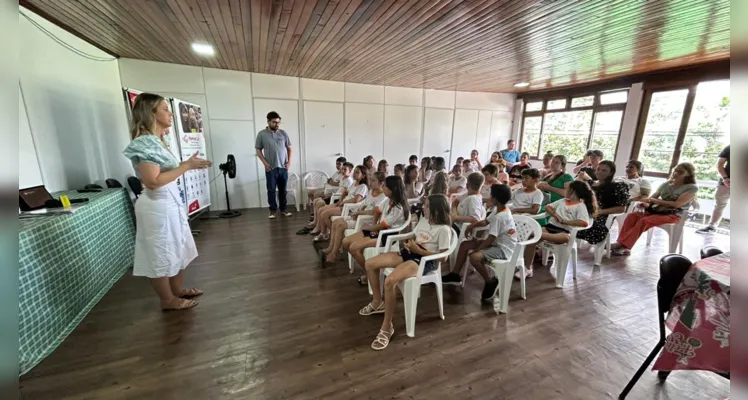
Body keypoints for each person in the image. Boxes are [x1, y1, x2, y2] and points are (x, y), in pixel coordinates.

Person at [122, 93, 212, 311]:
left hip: (170, 203)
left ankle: (177, 289)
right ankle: (167, 300)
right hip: (157, 205)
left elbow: (164, 170)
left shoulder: (159, 140)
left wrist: (187, 164)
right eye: (165, 109)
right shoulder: (144, 143)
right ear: (150, 113)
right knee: (161, 252)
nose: (171, 113)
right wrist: (185, 167)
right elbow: (152, 181)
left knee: (177, 247)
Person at [359, 194, 452, 350]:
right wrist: (410, 243)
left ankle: (387, 327)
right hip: (412, 253)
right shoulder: (424, 220)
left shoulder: (444, 230)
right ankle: (377, 302)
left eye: (427, 206)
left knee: (389, 281)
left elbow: (443, 258)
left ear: (436, 210)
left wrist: (419, 251)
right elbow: (415, 235)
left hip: (425, 262)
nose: (424, 208)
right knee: (370, 264)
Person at [443, 184, 516, 301]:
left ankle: (490, 281)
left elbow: (490, 238)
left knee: (474, 257)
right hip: (496, 243)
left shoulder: (500, 216)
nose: (489, 198)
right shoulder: (499, 210)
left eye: (491, 196)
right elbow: (485, 222)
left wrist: (478, 249)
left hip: (503, 248)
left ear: (495, 199)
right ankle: (455, 275)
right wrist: (471, 226)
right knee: (464, 245)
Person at [611, 163, 698, 255]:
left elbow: (677, 204)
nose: (676, 173)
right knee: (632, 216)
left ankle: (624, 246)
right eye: (675, 170)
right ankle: (621, 244)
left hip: (674, 215)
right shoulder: (667, 184)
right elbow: (651, 199)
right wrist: (645, 203)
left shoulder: (692, 188)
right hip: (657, 211)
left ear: (689, 174)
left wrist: (655, 201)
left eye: (680, 172)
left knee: (644, 221)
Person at [343, 176, 410, 285]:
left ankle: (370, 274)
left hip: (387, 235)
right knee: (346, 242)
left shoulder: (398, 208)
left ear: (393, 190)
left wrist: (368, 228)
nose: (383, 188)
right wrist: (373, 226)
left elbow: (383, 226)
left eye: (386, 187)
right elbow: (377, 211)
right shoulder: (388, 200)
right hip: (378, 230)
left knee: (354, 247)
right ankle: (370, 273)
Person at [521, 181, 596, 278]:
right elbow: (548, 207)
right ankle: (527, 268)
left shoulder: (581, 206)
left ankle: (539, 236)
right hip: (551, 227)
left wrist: (566, 222)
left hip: (565, 232)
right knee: (531, 239)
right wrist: (555, 215)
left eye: (568, 189)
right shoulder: (563, 201)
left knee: (541, 236)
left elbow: (584, 222)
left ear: (573, 191)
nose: (566, 191)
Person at [320, 172, 388, 265]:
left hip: (366, 220)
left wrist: (359, 213)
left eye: (373, 180)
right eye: (370, 180)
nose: (370, 182)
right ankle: (331, 247)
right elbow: (364, 205)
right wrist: (358, 211)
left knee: (340, 226)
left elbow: (373, 212)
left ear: (381, 183)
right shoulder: (371, 191)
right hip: (360, 215)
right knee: (336, 222)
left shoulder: (383, 196)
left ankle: (333, 254)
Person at [576, 161, 629, 247]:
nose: (600, 172)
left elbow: (622, 209)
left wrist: (599, 212)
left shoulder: (616, 186)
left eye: (604, 170)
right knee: (562, 218)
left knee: (571, 223)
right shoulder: (593, 183)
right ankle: (560, 247)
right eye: (598, 169)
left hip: (601, 220)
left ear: (611, 172)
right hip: (586, 214)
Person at [312, 165, 368, 241]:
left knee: (324, 214)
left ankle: (331, 234)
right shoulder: (354, 183)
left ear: (363, 176)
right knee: (321, 209)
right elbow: (345, 192)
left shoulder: (363, 186)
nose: (354, 174)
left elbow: (356, 200)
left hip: (349, 208)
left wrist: (344, 202)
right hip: (343, 204)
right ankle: (324, 232)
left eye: (357, 172)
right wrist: (340, 201)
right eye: (354, 172)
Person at [298, 162, 354, 235]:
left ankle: (321, 229)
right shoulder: (343, 178)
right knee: (316, 200)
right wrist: (329, 195)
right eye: (342, 169)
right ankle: (316, 223)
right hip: (335, 196)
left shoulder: (349, 181)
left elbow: (345, 194)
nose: (342, 171)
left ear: (350, 171)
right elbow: (338, 188)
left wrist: (333, 197)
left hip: (337, 199)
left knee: (319, 203)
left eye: (345, 169)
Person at [256, 111, 293, 219]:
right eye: (274, 122)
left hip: (283, 168)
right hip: (271, 168)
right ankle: (272, 211)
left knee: (283, 190)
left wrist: (289, 162)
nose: (277, 124)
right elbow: (258, 150)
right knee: (271, 190)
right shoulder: (262, 134)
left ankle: (283, 210)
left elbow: (289, 148)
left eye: (278, 122)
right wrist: (265, 163)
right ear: (268, 121)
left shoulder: (283, 133)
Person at [697, 145, 730, 234]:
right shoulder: (730, 147)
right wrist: (725, 178)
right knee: (719, 205)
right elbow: (720, 164)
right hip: (726, 182)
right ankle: (712, 226)